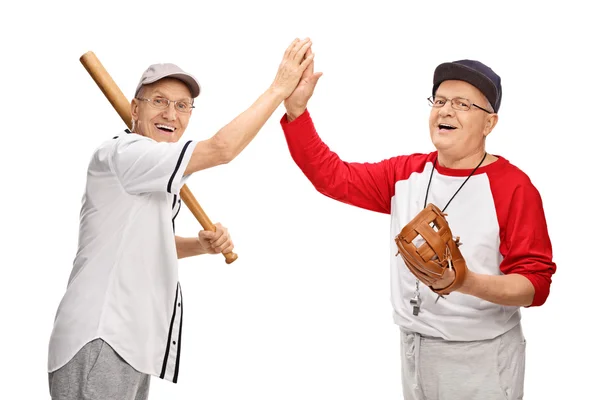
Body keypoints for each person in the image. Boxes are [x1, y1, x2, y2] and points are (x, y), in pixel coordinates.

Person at [47, 37, 314, 400]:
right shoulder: (125, 153)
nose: (171, 114)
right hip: (101, 337)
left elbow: (148, 245)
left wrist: (199, 246)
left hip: (129, 345)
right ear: (134, 110)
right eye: (158, 101)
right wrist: (277, 89)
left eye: (182, 106)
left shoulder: (154, 171)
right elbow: (222, 149)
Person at [279, 52, 557, 399]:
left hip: (481, 356)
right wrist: (297, 112)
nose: (445, 110)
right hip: (413, 348)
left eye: (462, 104)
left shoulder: (513, 187)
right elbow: (331, 177)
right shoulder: (405, 174)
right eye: (439, 100)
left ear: (489, 124)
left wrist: (467, 282)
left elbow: (535, 283)